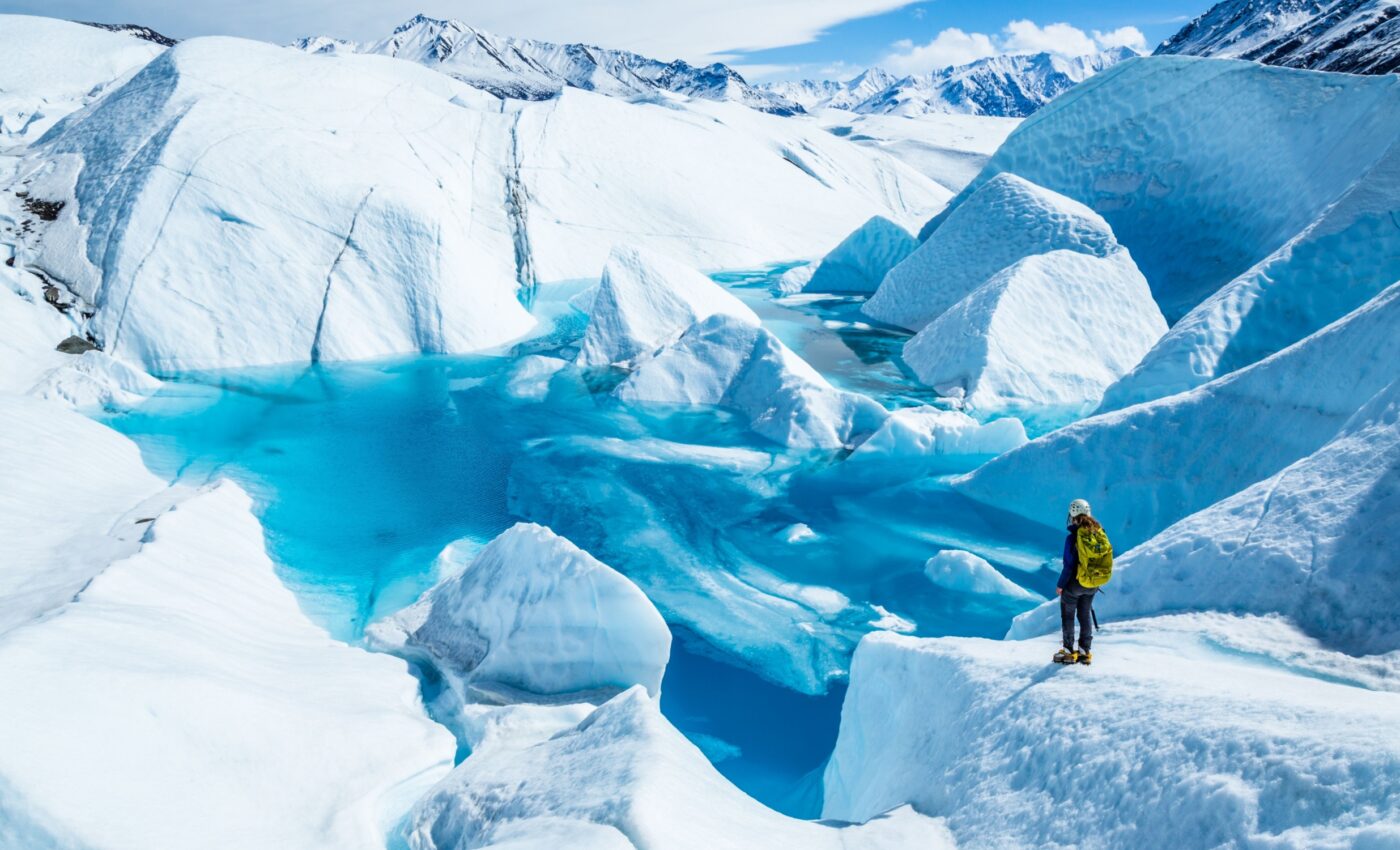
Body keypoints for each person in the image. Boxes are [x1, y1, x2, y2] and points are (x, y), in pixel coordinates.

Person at [1054, 498, 1113, 665]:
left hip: (1076, 583)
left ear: (1072, 515)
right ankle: (1085, 651)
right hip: (1093, 582)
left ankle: (1068, 651)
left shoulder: (1073, 538)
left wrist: (1060, 585)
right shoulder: (1099, 532)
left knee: (1068, 615)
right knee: (1084, 614)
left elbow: (1069, 565)